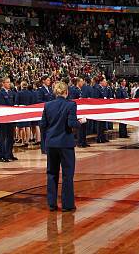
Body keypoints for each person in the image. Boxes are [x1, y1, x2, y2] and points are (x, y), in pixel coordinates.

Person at [40, 81, 86, 211]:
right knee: (67, 175)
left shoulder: (47, 105)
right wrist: (80, 122)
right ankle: (67, 205)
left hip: (51, 144)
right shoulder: (71, 104)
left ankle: (51, 204)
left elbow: (43, 124)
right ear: (66, 92)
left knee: (51, 174)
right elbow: (71, 123)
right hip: (65, 144)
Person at [0, 77, 17, 162]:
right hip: (2, 118)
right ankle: (1, 155)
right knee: (2, 138)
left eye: (9, 82)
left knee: (10, 137)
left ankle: (9, 154)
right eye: (7, 82)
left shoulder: (11, 93)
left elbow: (13, 103)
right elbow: (0, 105)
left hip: (10, 118)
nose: (9, 84)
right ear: (3, 83)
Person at [69, 77, 88, 147]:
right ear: (78, 82)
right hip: (78, 110)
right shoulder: (74, 90)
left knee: (84, 125)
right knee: (79, 127)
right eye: (81, 81)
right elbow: (73, 100)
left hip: (83, 110)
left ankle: (84, 141)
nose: (83, 83)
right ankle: (80, 142)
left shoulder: (81, 90)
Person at [16, 81, 36, 147]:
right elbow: (32, 102)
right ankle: (27, 140)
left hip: (21, 110)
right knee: (28, 126)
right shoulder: (30, 93)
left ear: (21, 86)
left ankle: (22, 141)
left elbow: (16, 102)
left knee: (22, 127)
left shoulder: (19, 93)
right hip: (28, 110)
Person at [93, 77, 109, 143]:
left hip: (104, 108)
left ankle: (102, 137)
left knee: (103, 123)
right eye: (104, 81)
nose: (106, 83)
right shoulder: (97, 88)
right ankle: (99, 138)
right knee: (99, 124)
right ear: (101, 82)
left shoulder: (104, 89)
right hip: (99, 108)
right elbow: (96, 98)